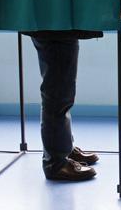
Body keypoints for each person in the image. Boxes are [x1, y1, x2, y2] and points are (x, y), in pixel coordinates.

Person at [24, 30, 101, 181]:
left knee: (61, 92)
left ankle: (63, 149)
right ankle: (56, 164)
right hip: (56, 29)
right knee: (58, 94)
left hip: (57, 27)